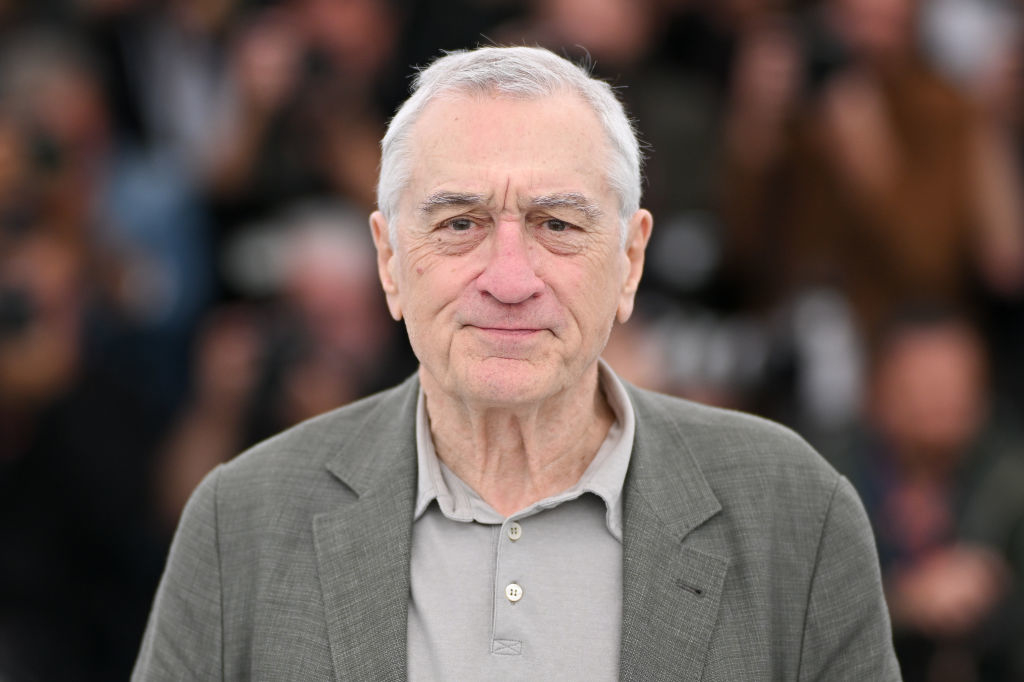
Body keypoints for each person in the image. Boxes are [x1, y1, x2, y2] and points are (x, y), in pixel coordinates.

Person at [132, 45, 900, 680]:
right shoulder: (242, 522)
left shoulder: (796, 513)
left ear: (630, 261)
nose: (509, 279)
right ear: (389, 261)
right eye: (459, 223)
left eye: (557, 224)